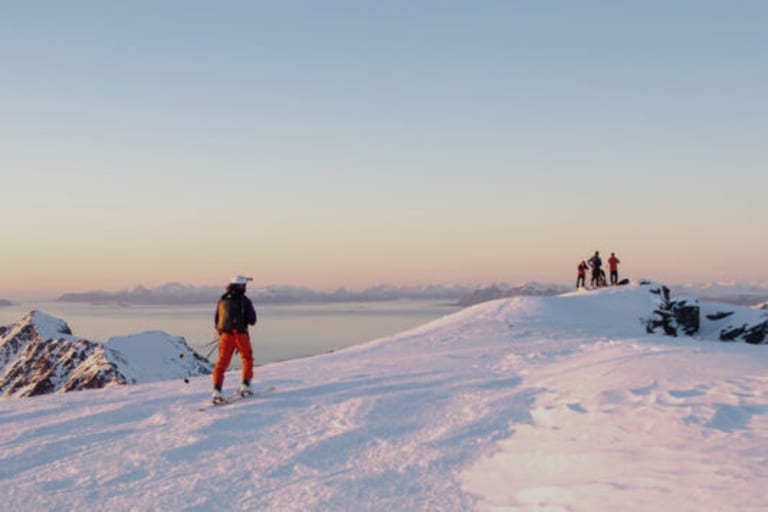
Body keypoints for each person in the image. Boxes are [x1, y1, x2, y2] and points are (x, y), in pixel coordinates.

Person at [212, 275, 257, 404]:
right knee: (247, 359)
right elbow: (253, 320)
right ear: (242, 286)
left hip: (225, 336)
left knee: (221, 364)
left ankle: (217, 391)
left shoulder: (222, 300)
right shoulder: (245, 300)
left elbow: (217, 320)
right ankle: (246, 386)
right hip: (240, 335)